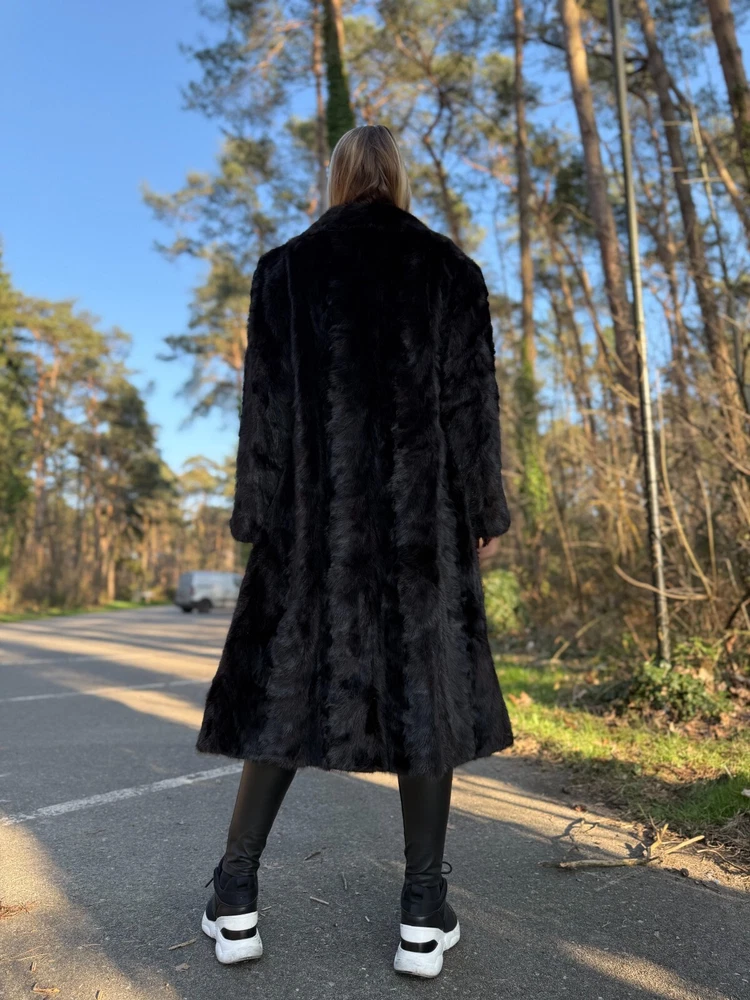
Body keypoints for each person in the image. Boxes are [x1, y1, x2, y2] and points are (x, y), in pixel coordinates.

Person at [195, 124, 513, 979]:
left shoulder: (286, 270)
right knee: (426, 701)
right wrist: (482, 507)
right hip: (420, 525)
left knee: (282, 694)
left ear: (337, 178)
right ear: (398, 178)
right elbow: (472, 405)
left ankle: (235, 895)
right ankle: (422, 913)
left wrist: (256, 514)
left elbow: (263, 409)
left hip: (311, 522)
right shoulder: (450, 270)